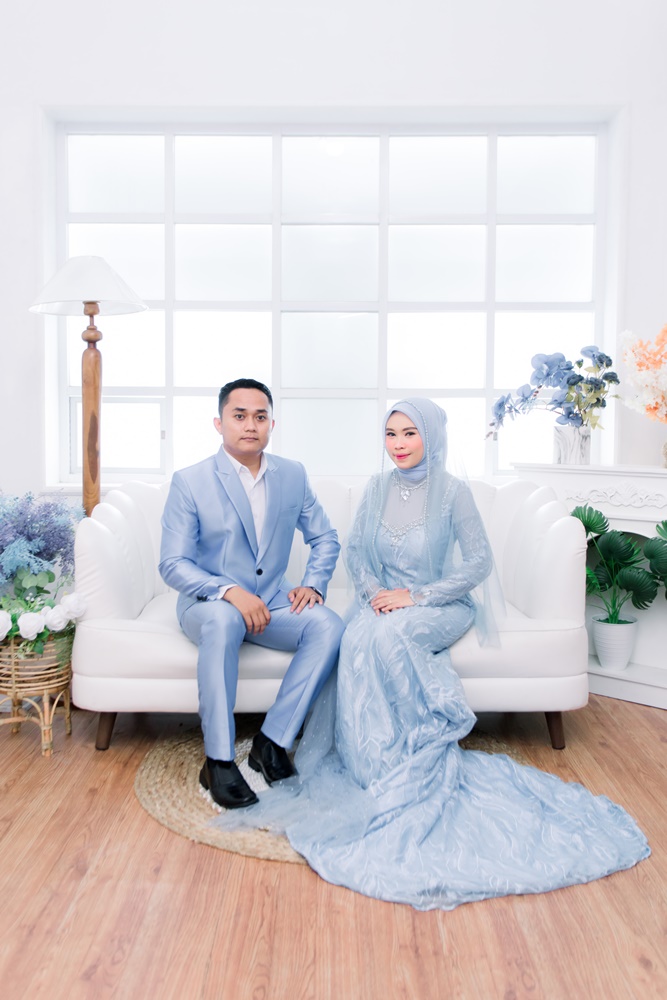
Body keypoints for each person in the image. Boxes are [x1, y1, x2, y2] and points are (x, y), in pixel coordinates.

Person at [214, 396, 649, 911]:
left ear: (431, 437)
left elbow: (478, 562)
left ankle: (405, 753)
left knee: (390, 637)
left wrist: (415, 596)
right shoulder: (377, 488)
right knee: (357, 636)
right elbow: (356, 552)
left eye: (409, 434)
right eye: (391, 434)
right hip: (383, 600)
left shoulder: (453, 493)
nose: (398, 445)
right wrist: (376, 594)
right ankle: (367, 760)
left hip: (439, 603)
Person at [159, 378, 345, 810]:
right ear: (219, 423)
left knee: (328, 626)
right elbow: (173, 564)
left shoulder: (292, 474)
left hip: (272, 600)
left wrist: (313, 583)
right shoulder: (190, 481)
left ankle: (271, 742)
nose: (250, 425)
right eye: (239, 415)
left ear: (271, 425)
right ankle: (218, 761)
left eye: (260, 417)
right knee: (225, 620)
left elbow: (325, 538)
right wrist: (227, 591)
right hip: (208, 603)